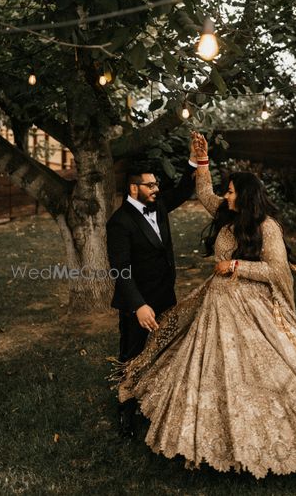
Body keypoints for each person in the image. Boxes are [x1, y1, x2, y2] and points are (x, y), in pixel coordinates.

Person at [108, 132, 296, 478]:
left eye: (232, 191)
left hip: (249, 308)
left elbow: (277, 269)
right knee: (193, 355)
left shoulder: (267, 228)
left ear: (245, 196)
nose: (226, 195)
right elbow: (204, 193)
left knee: (257, 367)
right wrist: (201, 162)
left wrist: (235, 266)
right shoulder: (226, 213)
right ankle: (133, 402)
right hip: (214, 304)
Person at [107, 137, 198, 438]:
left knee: (163, 350)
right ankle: (125, 410)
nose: (157, 189)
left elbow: (185, 190)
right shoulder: (120, 222)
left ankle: (156, 401)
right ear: (134, 189)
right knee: (132, 355)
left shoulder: (157, 206)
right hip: (139, 303)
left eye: (157, 184)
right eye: (150, 185)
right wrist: (138, 306)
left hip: (165, 295)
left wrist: (194, 161)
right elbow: (120, 269)